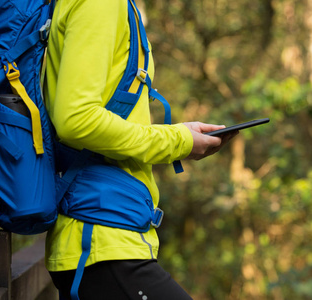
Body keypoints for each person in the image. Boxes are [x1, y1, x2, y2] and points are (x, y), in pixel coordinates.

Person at [44, 0, 236, 299]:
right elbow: (76, 120)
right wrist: (178, 141)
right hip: (98, 239)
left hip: (111, 235)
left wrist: (181, 137)